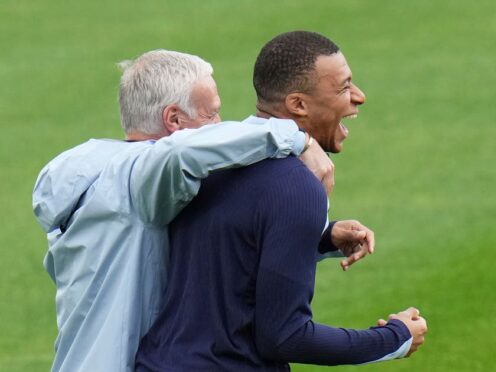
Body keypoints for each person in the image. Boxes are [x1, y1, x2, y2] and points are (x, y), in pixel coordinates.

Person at [32, 49, 368, 372]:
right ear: (174, 119)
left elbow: (205, 243)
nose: (221, 124)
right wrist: (298, 137)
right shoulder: (137, 180)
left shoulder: (105, 174)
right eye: (212, 114)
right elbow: (182, 154)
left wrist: (321, 238)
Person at [135, 31, 428, 371]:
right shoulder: (297, 186)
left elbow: (227, 248)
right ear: (298, 104)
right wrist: (396, 337)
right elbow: (284, 335)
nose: (359, 97)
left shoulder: (202, 165)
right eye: (344, 87)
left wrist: (321, 238)